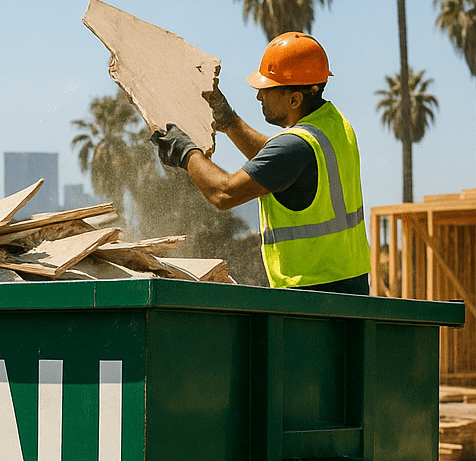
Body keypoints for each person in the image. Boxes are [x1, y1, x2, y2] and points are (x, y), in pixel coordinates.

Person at [151, 32, 370, 294]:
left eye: (266, 90)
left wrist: (185, 152)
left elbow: (224, 193)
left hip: (310, 294)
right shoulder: (334, 126)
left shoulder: (295, 146)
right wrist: (229, 122)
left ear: (295, 98)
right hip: (350, 288)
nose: (258, 98)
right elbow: (278, 161)